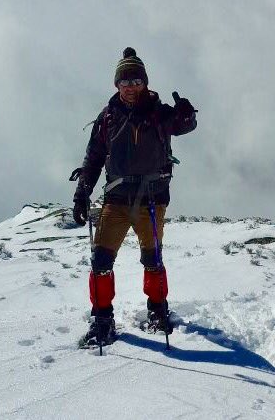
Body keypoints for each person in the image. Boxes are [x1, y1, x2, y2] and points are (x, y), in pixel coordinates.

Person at [71, 47, 197, 348]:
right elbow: (94, 158)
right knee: (101, 260)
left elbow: (184, 126)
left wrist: (187, 114)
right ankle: (102, 319)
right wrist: (82, 193)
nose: (131, 87)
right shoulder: (107, 118)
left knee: (152, 259)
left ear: (145, 83)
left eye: (136, 81)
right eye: (125, 82)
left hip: (152, 199)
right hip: (116, 200)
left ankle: (157, 311)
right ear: (117, 85)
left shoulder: (160, 113)